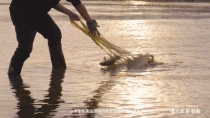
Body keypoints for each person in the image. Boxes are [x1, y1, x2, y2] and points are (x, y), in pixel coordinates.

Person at [8, 0, 99, 78]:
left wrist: (69, 13)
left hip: (38, 12)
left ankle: (59, 68)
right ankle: (13, 75)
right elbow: (78, 5)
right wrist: (90, 22)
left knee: (55, 35)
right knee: (25, 48)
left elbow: (52, 2)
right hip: (21, 11)